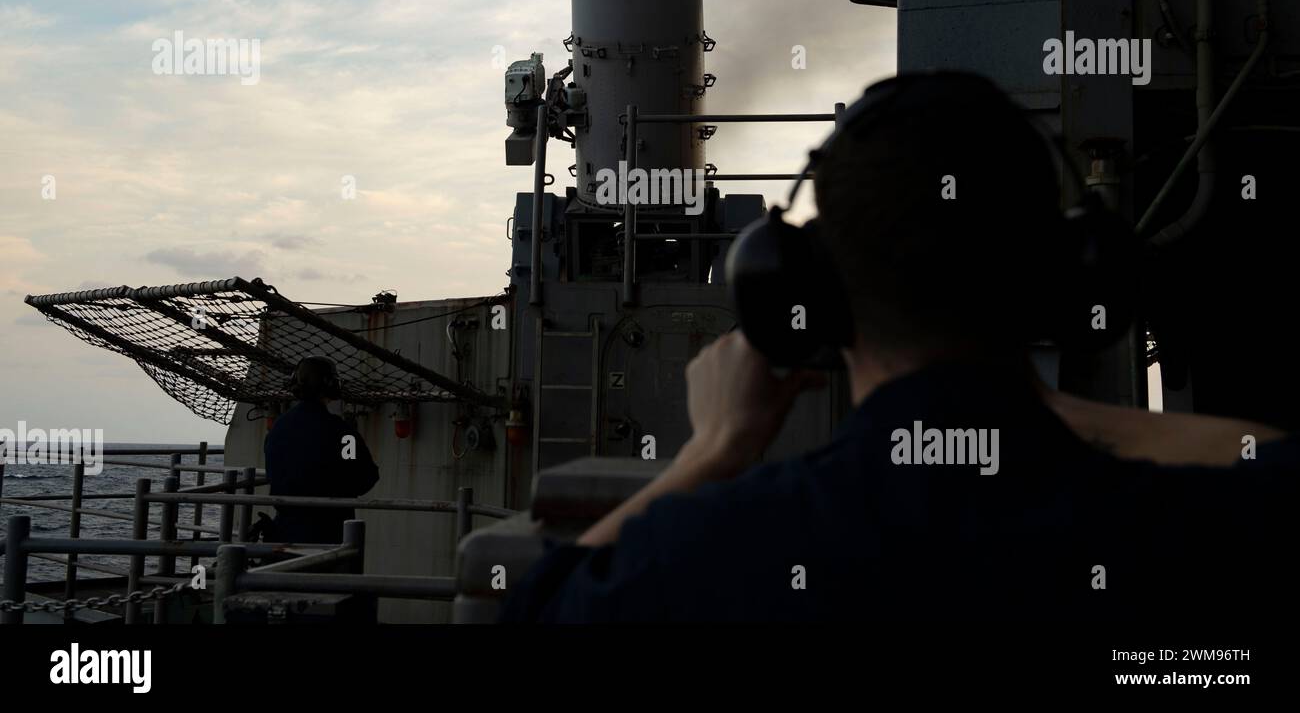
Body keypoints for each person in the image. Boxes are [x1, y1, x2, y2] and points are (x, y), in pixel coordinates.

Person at [501, 70, 1299, 622]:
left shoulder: (711, 558)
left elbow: (536, 609)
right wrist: (1044, 408)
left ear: (800, 297)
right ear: (1071, 278)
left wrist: (712, 451)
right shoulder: (1223, 538)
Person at [262, 356, 380, 544]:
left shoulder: (278, 428)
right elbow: (364, 478)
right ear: (332, 385)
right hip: (328, 534)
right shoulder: (342, 433)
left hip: (283, 533)